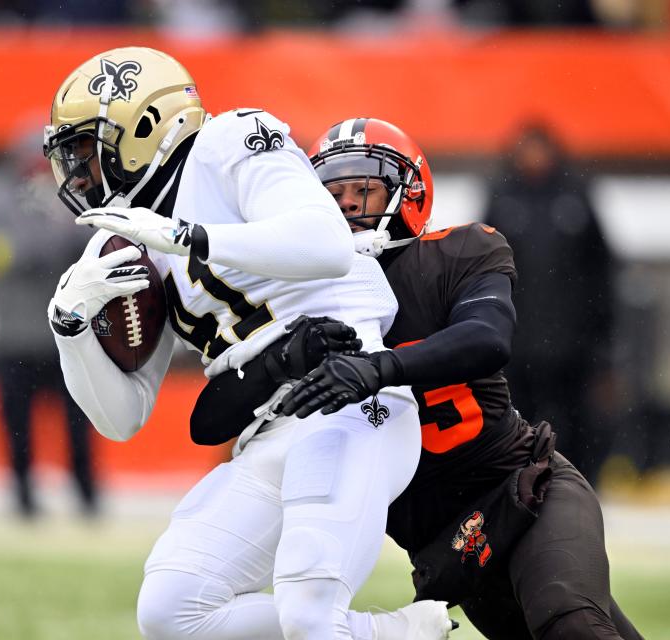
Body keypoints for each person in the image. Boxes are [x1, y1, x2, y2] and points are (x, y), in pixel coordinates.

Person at [43, 47, 451, 639]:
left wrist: (187, 237)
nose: (77, 174)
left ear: (144, 128)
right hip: (267, 431)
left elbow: (326, 244)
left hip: (349, 402)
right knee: (171, 611)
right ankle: (397, 635)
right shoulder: (126, 236)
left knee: (310, 616)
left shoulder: (231, 140)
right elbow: (123, 417)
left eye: (85, 150)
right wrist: (70, 329)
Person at [191, 118, 644, 639]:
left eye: (361, 190)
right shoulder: (298, 298)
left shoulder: (455, 254)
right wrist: (275, 363)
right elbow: (209, 422)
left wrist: (378, 369)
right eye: (330, 196)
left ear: (408, 192)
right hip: (446, 548)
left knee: (572, 624)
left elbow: (487, 338)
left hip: (522, 487)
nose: (344, 208)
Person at [0, 128, 99, 518]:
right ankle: (24, 498)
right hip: (15, 338)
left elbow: (94, 248)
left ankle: (87, 495)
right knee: (17, 428)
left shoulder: (73, 198)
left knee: (80, 423)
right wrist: (46, 229)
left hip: (65, 336)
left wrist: (59, 221)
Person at [484, 122, 615, 485]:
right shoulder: (503, 197)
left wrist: (601, 336)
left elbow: (600, 271)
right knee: (516, 414)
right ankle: (519, 480)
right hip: (517, 338)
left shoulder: (575, 197)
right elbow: (483, 262)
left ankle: (576, 482)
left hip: (572, 340)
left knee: (575, 417)